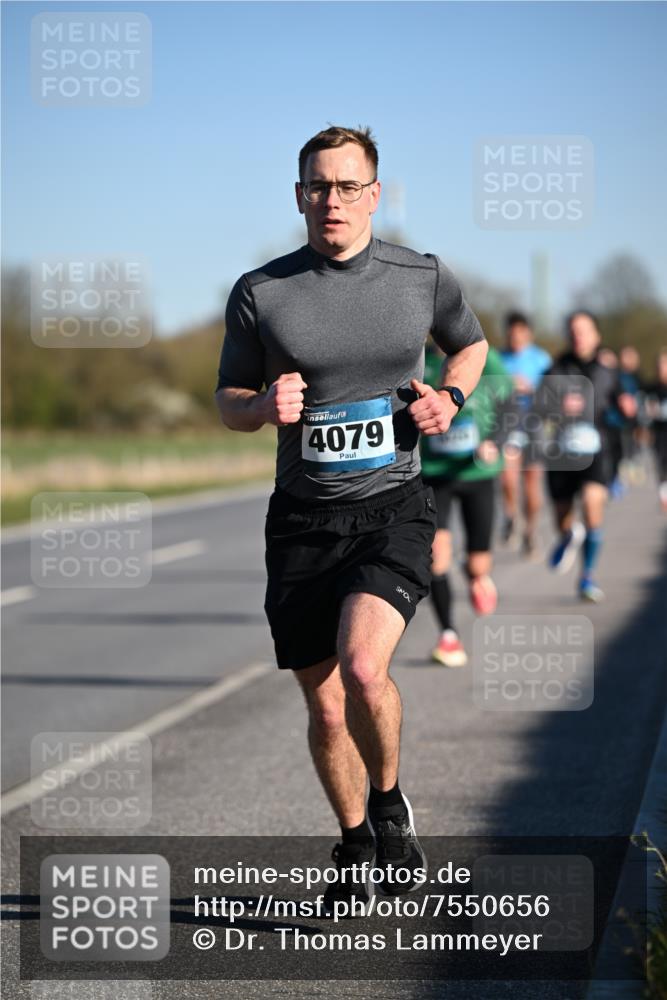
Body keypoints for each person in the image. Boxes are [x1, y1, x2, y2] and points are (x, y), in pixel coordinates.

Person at [215, 126, 487, 908]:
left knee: (364, 669)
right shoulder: (261, 292)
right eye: (316, 186)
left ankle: (390, 804)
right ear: (298, 194)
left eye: (345, 186)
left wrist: (450, 397)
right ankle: (354, 842)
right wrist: (260, 406)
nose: (329, 200)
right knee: (325, 703)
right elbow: (227, 400)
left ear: (373, 194)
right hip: (302, 522)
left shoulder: (419, 275)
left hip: (391, 508)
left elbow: (469, 347)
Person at [421, 342, 514, 667]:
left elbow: (510, 406)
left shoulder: (485, 357)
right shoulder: (418, 359)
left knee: (478, 565)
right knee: (436, 556)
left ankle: (475, 575)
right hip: (435, 474)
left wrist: (495, 441)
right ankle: (448, 634)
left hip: (478, 473)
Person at [538, 311, 637, 602]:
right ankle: (569, 535)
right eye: (573, 331)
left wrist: (627, 408)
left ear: (596, 336)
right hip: (561, 453)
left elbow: (623, 407)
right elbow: (539, 409)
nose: (578, 336)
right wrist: (558, 407)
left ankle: (587, 576)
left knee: (593, 504)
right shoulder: (555, 369)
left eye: (583, 330)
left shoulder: (609, 372)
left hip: (596, 449)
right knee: (562, 518)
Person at [499, 311, 552, 557]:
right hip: (509, 423)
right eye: (512, 334)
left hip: (534, 423)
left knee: (532, 483)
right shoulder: (498, 358)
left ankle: (531, 531)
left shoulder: (541, 359)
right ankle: (512, 516)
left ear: (529, 334)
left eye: (521, 333)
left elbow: (553, 392)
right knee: (508, 478)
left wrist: (531, 390)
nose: (516, 338)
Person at [643, 348, 667, 512]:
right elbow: (646, 411)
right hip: (659, 433)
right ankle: (664, 495)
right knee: (662, 464)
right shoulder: (651, 388)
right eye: (660, 365)